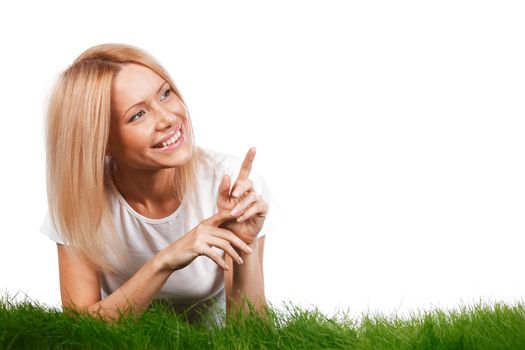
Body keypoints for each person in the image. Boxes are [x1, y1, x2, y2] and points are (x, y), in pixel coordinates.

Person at [38, 43, 286, 328]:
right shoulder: (80, 199)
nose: (168, 119)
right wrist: (164, 261)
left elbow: (252, 335)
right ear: (100, 141)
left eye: (165, 94)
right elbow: (79, 330)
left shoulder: (229, 182)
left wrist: (244, 246)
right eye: (138, 115)